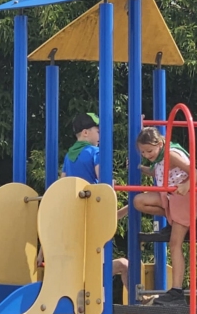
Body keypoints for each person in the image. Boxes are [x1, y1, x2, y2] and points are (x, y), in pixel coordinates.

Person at [37, 112, 129, 290]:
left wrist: (42, 250)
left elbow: (62, 184)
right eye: (98, 131)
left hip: (73, 214)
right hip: (91, 210)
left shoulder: (69, 156)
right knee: (120, 264)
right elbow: (103, 182)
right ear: (86, 133)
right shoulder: (96, 152)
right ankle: (139, 300)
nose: (100, 136)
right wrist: (111, 186)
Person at [133, 126, 197, 305]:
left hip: (185, 198)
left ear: (160, 144)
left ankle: (177, 291)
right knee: (139, 201)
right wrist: (141, 168)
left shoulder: (170, 154)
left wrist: (186, 185)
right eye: (143, 152)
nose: (147, 155)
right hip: (171, 198)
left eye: (149, 151)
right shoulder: (159, 157)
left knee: (174, 244)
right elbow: (158, 171)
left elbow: (195, 173)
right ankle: (173, 218)